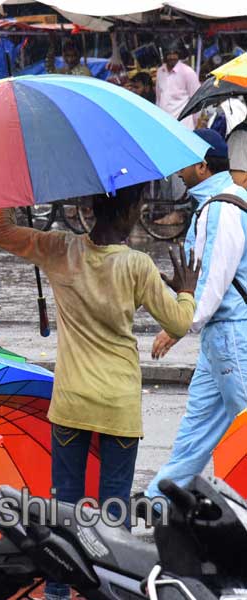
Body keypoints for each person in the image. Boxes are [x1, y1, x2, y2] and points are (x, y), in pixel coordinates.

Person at [0, 186, 198, 600]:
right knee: (113, 510)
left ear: (90, 210)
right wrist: (185, 288)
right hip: (118, 405)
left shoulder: (59, 248)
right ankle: (109, 590)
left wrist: (11, 189)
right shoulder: (137, 265)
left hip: (71, 402)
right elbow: (178, 323)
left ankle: (56, 592)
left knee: (62, 506)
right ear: (133, 211)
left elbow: (1, 231)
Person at [146, 129, 247, 503]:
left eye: (185, 160)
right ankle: (159, 500)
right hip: (221, 337)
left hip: (232, 334)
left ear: (204, 166)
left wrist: (177, 327)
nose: (178, 169)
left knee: (244, 426)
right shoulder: (221, 202)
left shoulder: (221, 208)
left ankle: (234, 506)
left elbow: (213, 280)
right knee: (198, 429)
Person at [156, 46, 200, 130]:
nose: (172, 57)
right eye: (169, 54)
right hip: (164, 125)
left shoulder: (188, 72)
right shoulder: (160, 72)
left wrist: (195, 123)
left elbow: (196, 100)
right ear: (165, 56)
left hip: (183, 126)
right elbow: (158, 99)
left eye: (175, 54)